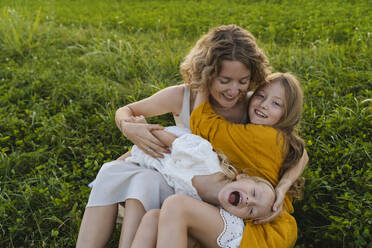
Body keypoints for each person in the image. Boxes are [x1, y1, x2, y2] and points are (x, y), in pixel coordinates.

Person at [76, 25, 307, 248]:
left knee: (146, 182)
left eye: (243, 81)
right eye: (224, 81)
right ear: (206, 73)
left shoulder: (254, 106)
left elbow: (298, 151)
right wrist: (127, 126)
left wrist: (283, 186)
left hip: (220, 196)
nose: (234, 90)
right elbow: (126, 111)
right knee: (114, 172)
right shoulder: (182, 96)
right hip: (180, 178)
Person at [131, 72, 306, 248]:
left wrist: (206, 77)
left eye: (276, 103)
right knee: (153, 218)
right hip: (240, 217)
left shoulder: (263, 138)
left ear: (287, 114)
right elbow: (303, 154)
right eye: (260, 95)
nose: (264, 105)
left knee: (177, 205)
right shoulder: (283, 139)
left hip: (260, 232)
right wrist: (284, 185)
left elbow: (203, 124)